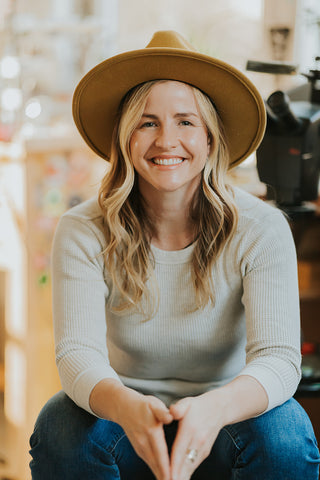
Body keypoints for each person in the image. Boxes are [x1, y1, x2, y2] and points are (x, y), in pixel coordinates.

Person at [29, 30, 320, 480]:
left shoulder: (262, 228)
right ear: (125, 139)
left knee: (285, 432)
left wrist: (213, 410)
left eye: (186, 122)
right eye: (147, 122)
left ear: (209, 139)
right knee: (60, 425)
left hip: (226, 419)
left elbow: (279, 360)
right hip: (123, 420)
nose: (167, 140)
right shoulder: (83, 229)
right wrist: (129, 407)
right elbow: (77, 356)